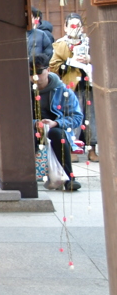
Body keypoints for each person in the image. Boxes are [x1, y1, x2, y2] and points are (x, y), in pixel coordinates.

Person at [30, 53, 83, 192]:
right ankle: (25, 178)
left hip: (55, 128)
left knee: (57, 134)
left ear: (48, 70)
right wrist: (35, 123)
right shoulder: (23, 90)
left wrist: (56, 123)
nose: (34, 77)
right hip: (30, 127)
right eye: (30, 73)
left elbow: (76, 117)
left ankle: (69, 179)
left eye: (39, 72)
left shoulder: (63, 90)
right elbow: (15, 117)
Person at [50, 13, 96, 161]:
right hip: (70, 86)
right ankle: (71, 148)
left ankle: (92, 149)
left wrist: (90, 59)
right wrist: (70, 61)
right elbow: (54, 66)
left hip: (89, 84)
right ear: (65, 27)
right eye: (72, 26)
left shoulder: (90, 43)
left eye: (78, 26)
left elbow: (103, 59)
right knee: (73, 117)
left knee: (91, 118)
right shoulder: (60, 45)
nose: (75, 29)